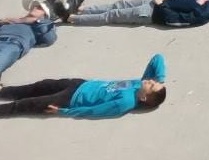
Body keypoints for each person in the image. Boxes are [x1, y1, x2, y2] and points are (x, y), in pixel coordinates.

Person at [0, 53, 166, 119]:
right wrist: (161, 80)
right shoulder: (140, 84)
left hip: (71, 99)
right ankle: (3, 92)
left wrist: (65, 112)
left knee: (28, 104)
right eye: (154, 82)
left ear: (144, 97)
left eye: (152, 85)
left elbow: (94, 112)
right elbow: (157, 58)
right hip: (79, 84)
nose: (151, 81)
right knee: (40, 86)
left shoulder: (125, 102)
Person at [63, 0, 209, 27]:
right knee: (119, 4)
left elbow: (174, 19)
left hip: (151, 13)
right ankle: (83, 10)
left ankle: (73, 19)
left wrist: (160, 4)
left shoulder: (202, 16)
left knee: (112, 15)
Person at [0, 7, 56, 77]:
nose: (35, 7)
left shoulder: (42, 26)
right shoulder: (12, 21)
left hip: (11, 44)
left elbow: (49, 39)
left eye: (39, 8)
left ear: (46, 14)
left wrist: (38, 21)